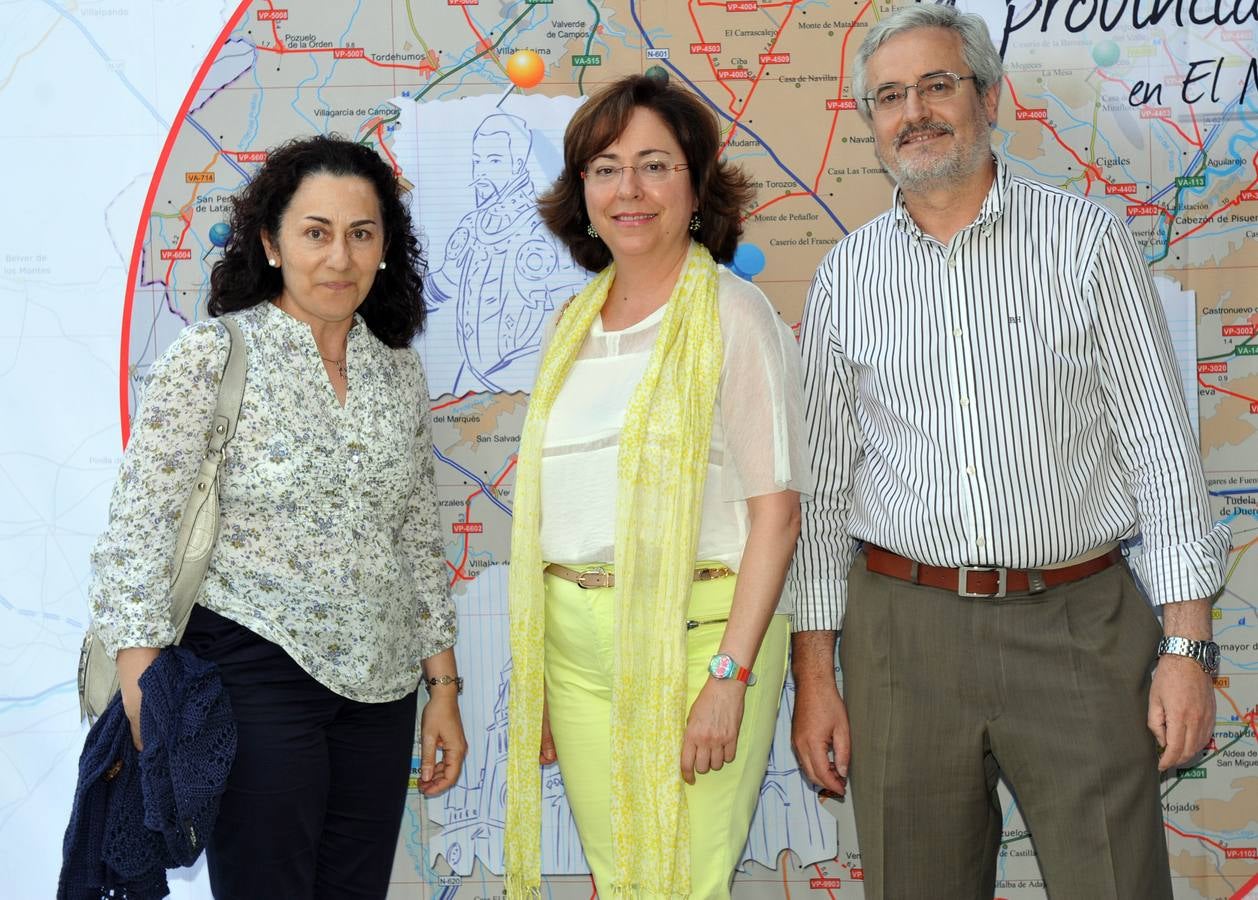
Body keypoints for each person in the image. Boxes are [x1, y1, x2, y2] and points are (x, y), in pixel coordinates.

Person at [788, 6, 1231, 899]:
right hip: (901, 639)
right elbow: (825, 493)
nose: (914, 111)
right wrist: (815, 675)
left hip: (1078, 627)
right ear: (872, 121)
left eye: (937, 85)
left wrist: (1188, 650)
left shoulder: (1089, 242)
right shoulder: (845, 276)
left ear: (988, 97)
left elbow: (1162, 454)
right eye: (889, 96)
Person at [88, 134, 467, 899]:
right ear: (271, 241)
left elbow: (419, 537)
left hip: (384, 687)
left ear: (385, 247)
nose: (339, 258)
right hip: (256, 673)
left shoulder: (398, 370)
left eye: (362, 234)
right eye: (316, 232)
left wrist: (445, 689)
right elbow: (138, 528)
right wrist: (139, 682)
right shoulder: (213, 355)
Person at [503, 74, 812, 898]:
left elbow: (778, 516)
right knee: (623, 879)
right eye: (604, 168)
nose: (627, 190)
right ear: (582, 192)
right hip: (573, 650)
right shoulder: (569, 327)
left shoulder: (735, 319)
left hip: (696, 637)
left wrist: (728, 679)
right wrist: (536, 680)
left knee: (685, 881)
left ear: (697, 184)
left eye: (654, 166)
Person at [424, 112, 586, 394]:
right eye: (477, 162)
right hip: (475, 379)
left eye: (494, 160)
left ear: (518, 164)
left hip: (533, 378)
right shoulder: (473, 226)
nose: (482, 172)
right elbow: (440, 288)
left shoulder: (548, 228)